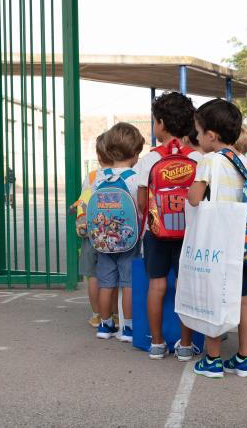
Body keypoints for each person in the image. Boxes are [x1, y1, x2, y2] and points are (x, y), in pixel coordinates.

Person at [188, 98, 247, 378]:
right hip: (243, 241)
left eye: (199, 132)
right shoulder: (243, 160)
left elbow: (194, 198)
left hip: (217, 240)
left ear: (211, 136)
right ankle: (244, 359)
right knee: (243, 301)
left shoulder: (210, 160)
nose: (197, 137)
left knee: (213, 296)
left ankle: (213, 359)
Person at [136, 91, 201, 360]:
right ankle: (185, 345)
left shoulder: (150, 159)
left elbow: (142, 200)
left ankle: (157, 343)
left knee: (157, 286)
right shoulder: (198, 159)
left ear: (160, 123)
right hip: (189, 233)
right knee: (185, 286)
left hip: (157, 233)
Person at [92, 122, 145, 342]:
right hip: (129, 240)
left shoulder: (100, 178)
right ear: (134, 153)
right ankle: (129, 328)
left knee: (106, 284)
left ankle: (105, 325)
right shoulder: (134, 177)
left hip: (104, 241)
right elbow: (140, 207)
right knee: (128, 284)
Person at [71, 134, 119, 328]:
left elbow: (83, 200)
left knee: (93, 275)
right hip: (114, 232)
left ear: (99, 156)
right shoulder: (120, 175)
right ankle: (114, 314)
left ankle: (97, 314)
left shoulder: (92, 176)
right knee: (113, 275)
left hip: (92, 231)